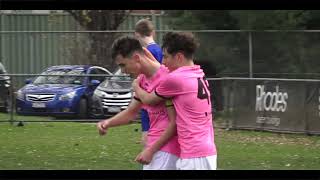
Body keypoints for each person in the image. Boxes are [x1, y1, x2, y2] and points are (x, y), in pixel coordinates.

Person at [132, 32, 217, 170]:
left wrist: (136, 86)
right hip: (204, 150)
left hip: (194, 155)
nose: (163, 62)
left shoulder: (176, 79)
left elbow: (149, 99)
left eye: (165, 57)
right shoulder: (198, 72)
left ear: (179, 57)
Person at [96, 35, 180, 170]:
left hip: (168, 149)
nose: (122, 71)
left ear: (136, 58)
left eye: (123, 65)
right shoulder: (141, 80)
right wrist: (107, 123)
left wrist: (151, 150)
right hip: (153, 146)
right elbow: (131, 112)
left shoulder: (166, 78)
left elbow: (175, 123)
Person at [134, 18, 163, 147]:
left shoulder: (146, 52)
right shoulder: (160, 50)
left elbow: (143, 76)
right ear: (153, 32)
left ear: (137, 34)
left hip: (148, 99)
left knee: (147, 138)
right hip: (158, 97)